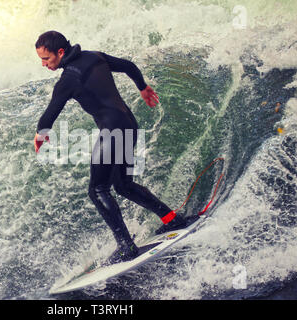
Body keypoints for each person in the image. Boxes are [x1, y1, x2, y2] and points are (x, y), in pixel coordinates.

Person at [33, 31, 186, 263]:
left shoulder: (67, 81)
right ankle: (171, 218)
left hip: (113, 131)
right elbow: (128, 66)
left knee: (97, 190)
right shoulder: (95, 57)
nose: (44, 64)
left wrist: (40, 134)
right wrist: (142, 87)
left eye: (46, 59)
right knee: (123, 185)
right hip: (128, 124)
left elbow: (49, 116)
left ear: (60, 52)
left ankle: (126, 246)